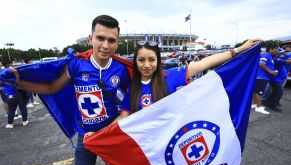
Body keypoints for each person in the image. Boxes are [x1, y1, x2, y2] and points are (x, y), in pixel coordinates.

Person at [8, 15, 130, 165]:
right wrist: (19, 83)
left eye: (111, 40)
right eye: (100, 38)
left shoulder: (121, 69)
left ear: (117, 43)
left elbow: (133, 98)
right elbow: (51, 87)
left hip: (111, 133)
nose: (105, 45)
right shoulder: (76, 65)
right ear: (90, 39)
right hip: (84, 134)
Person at [110, 38, 260, 123]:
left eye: (151, 59)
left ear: (158, 61)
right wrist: (99, 134)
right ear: (135, 62)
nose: (147, 65)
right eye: (141, 60)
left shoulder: (170, 76)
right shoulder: (132, 88)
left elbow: (204, 63)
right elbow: (124, 116)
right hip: (144, 144)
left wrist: (240, 49)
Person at [0, 61, 29, 128]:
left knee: (11, 110)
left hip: (10, 96)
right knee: (23, 108)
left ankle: (10, 124)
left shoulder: (4, 78)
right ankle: (25, 121)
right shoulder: (16, 77)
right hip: (20, 95)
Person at [251, 42, 278, 114]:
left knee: (256, 91)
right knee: (259, 92)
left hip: (261, 76)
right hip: (261, 76)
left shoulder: (268, 55)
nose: (276, 50)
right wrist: (271, 72)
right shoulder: (266, 55)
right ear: (270, 49)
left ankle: (254, 104)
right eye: (275, 49)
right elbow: (261, 64)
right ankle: (258, 107)